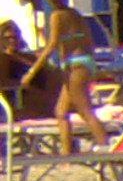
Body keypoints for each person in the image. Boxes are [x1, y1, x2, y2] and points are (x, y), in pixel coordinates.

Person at [11, 9, 96, 148]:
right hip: (79, 63)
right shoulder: (74, 14)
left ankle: (105, 148)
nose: (12, 40)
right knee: (61, 112)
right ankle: (67, 153)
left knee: (85, 111)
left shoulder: (57, 15)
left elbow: (52, 45)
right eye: (8, 37)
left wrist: (31, 73)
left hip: (74, 66)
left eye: (15, 36)